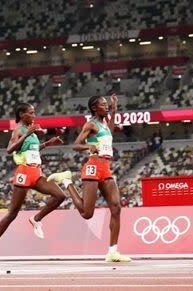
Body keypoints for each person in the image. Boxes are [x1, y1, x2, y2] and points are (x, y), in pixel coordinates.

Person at [0, 103, 72, 262]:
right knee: (12, 213)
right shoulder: (19, 130)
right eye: (31, 113)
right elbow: (10, 150)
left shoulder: (33, 133)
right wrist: (26, 134)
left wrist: (49, 143)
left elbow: (33, 150)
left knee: (60, 196)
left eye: (34, 112)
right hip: (24, 174)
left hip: (36, 173)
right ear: (22, 114)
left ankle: (36, 219)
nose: (34, 115)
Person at [64, 95, 132, 263]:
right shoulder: (91, 124)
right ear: (95, 108)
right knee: (87, 213)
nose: (106, 106)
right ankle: (67, 182)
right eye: (103, 104)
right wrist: (89, 146)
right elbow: (75, 145)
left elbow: (110, 129)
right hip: (93, 167)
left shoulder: (105, 125)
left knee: (116, 208)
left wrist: (114, 109)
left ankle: (112, 252)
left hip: (106, 169)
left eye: (106, 104)